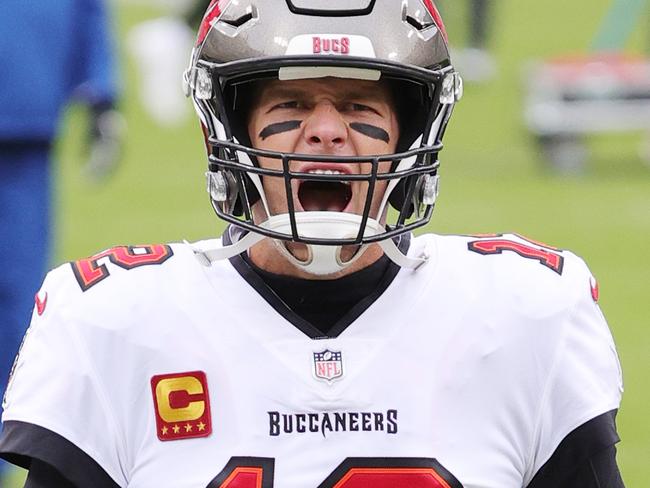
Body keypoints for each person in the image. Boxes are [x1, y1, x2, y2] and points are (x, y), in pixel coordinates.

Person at [0, 1, 624, 487]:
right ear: (229, 128)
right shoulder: (116, 323)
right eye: (291, 104)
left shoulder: (526, 314)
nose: (326, 133)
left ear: (411, 134)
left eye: (359, 105)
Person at [0, 0, 120, 483]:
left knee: (17, 305)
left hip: (29, 111)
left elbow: (88, 7)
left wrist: (102, 90)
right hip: (31, 98)